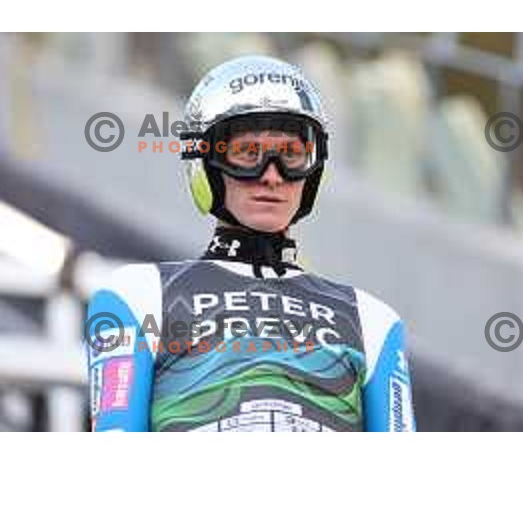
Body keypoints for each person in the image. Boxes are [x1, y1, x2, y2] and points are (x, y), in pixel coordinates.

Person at [85, 55, 416, 432]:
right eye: (248, 154)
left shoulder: (373, 319)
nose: (272, 176)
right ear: (204, 162)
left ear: (314, 170)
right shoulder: (136, 296)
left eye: (292, 156)